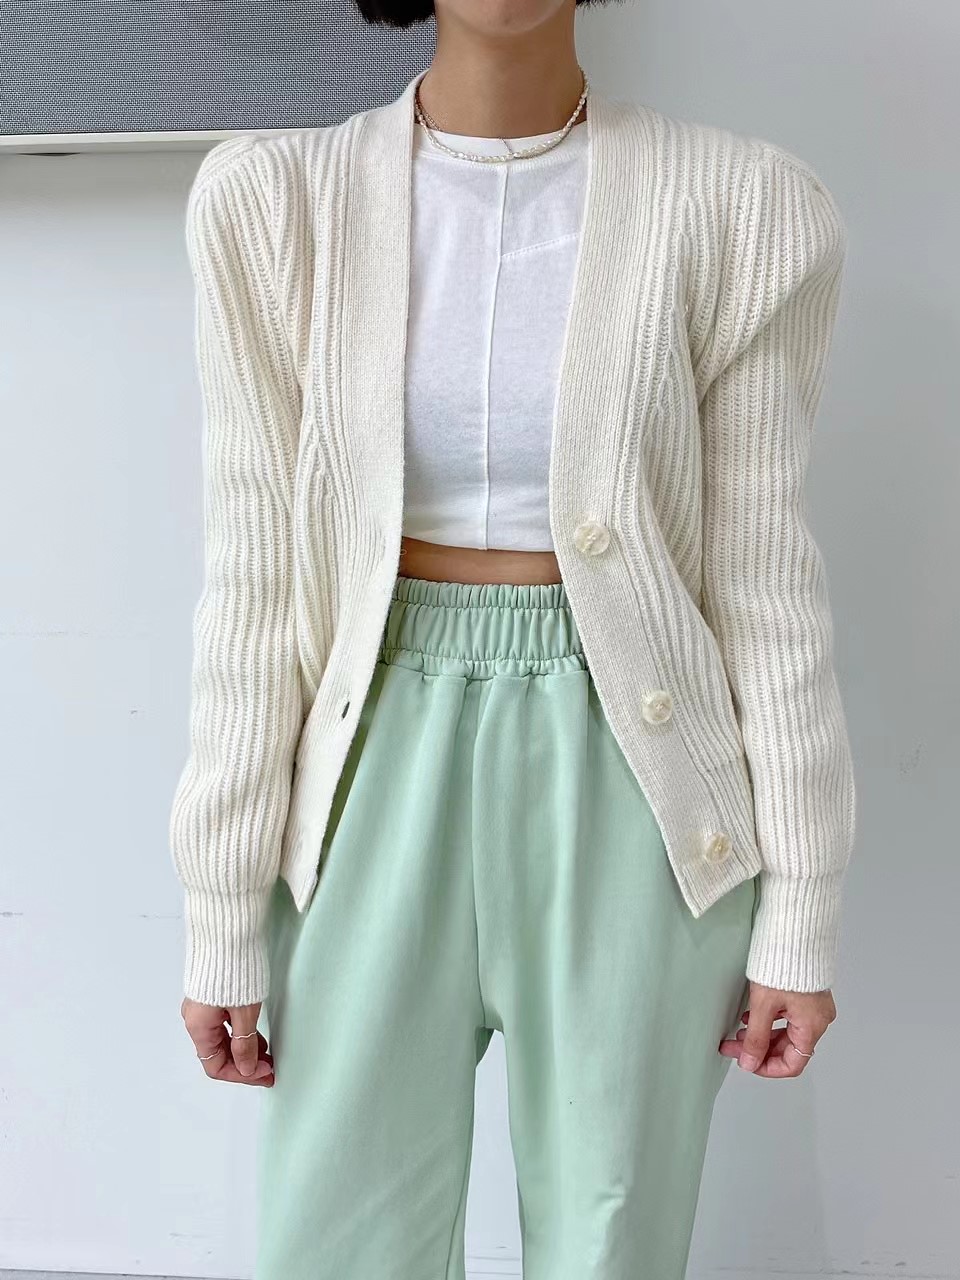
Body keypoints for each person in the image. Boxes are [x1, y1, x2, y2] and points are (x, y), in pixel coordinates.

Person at [168, 1, 857, 1276]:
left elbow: (766, 586)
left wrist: (801, 914)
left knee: (611, 1241)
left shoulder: (744, 206)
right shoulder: (274, 204)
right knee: (338, 1242)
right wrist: (219, 905)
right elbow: (254, 582)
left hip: (638, 775)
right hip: (367, 761)